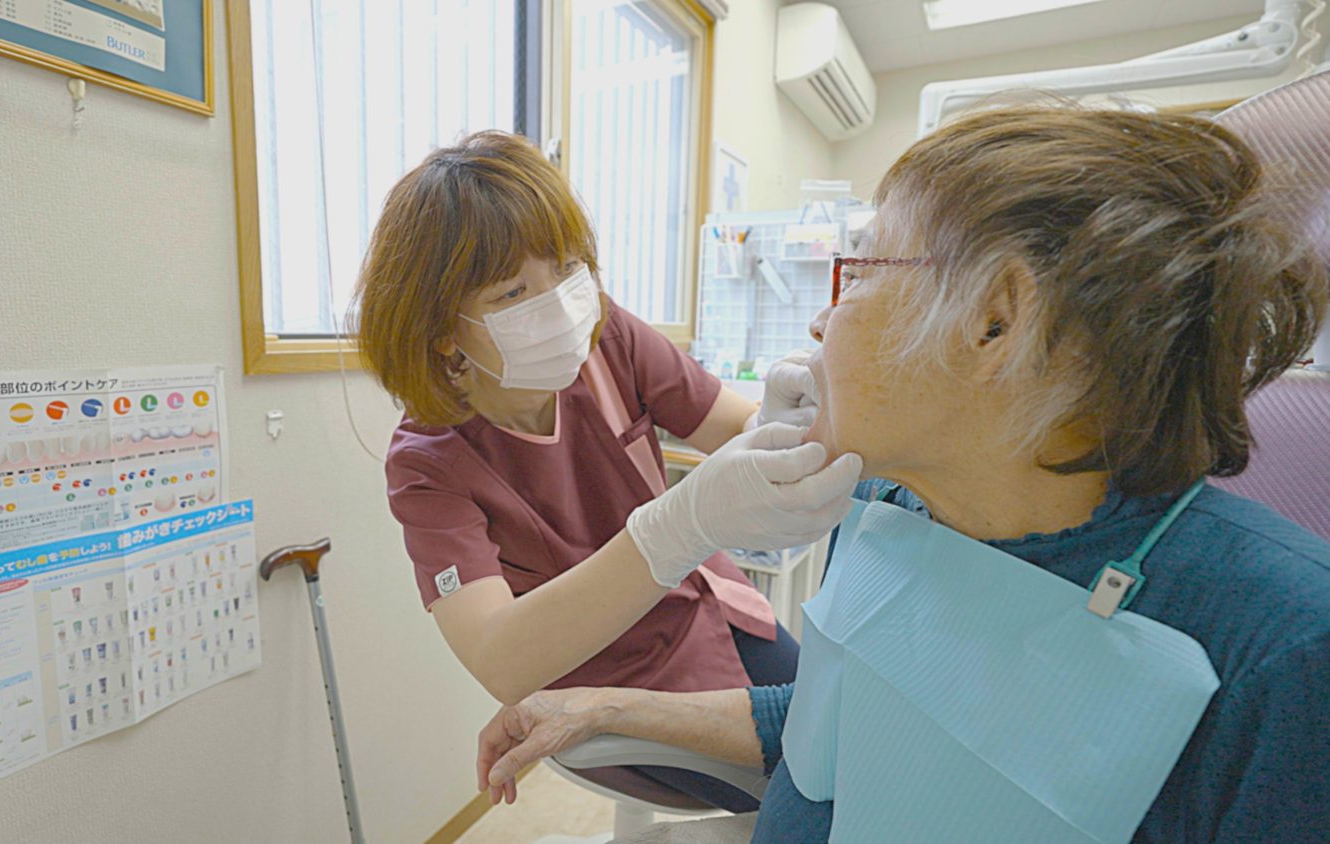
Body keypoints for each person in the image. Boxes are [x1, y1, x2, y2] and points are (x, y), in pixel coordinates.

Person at [474, 105, 1330, 842]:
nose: (819, 316)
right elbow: (837, 719)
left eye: (861, 268)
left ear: (996, 320)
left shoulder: (1284, 653)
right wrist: (603, 706)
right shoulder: (888, 512)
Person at [354, 131, 859, 810]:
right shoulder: (429, 464)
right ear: (442, 329)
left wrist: (777, 421)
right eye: (512, 292)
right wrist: (676, 525)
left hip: (715, 605)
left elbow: (731, 423)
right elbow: (500, 658)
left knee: (846, 733)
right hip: (611, 676)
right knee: (816, 785)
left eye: (567, 267)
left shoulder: (607, 337)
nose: (561, 303)